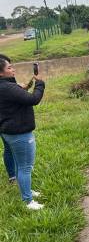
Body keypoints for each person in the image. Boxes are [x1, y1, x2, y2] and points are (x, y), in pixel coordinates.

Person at [0, 54, 45, 210]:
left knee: (20, 165)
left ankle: (27, 190)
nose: (13, 69)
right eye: (9, 67)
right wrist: (40, 83)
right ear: (1, 72)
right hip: (19, 133)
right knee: (26, 167)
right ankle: (28, 201)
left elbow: (19, 94)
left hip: (9, 131)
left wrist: (27, 85)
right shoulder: (8, 88)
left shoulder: (6, 86)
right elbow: (33, 99)